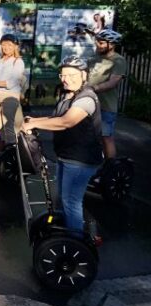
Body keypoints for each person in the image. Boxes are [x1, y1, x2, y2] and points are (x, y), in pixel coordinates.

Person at [22, 56, 102, 233]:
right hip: (66, 156)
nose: (66, 79)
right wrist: (35, 120)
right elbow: (55, 118)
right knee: (63, 199)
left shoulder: (86, 98)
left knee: (71, 200)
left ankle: (75, 240)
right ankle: (66, 231)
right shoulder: (67, 95)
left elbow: (66, 122)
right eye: (63, 75)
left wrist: (34, 125)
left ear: (83, 75)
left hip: (81, 160)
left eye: (71, 74)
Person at [87, 29, 127, 160]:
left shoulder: (118, 61)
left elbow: (113, 82)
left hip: (106, 107)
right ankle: (92, 165)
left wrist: (92, 89)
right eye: (97, 42)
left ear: (112, 44)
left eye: (102, 42)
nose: (98, 45)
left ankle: (110, 169)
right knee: (88, 137)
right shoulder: (94, 59)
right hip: (89, 105)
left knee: (106, 138)